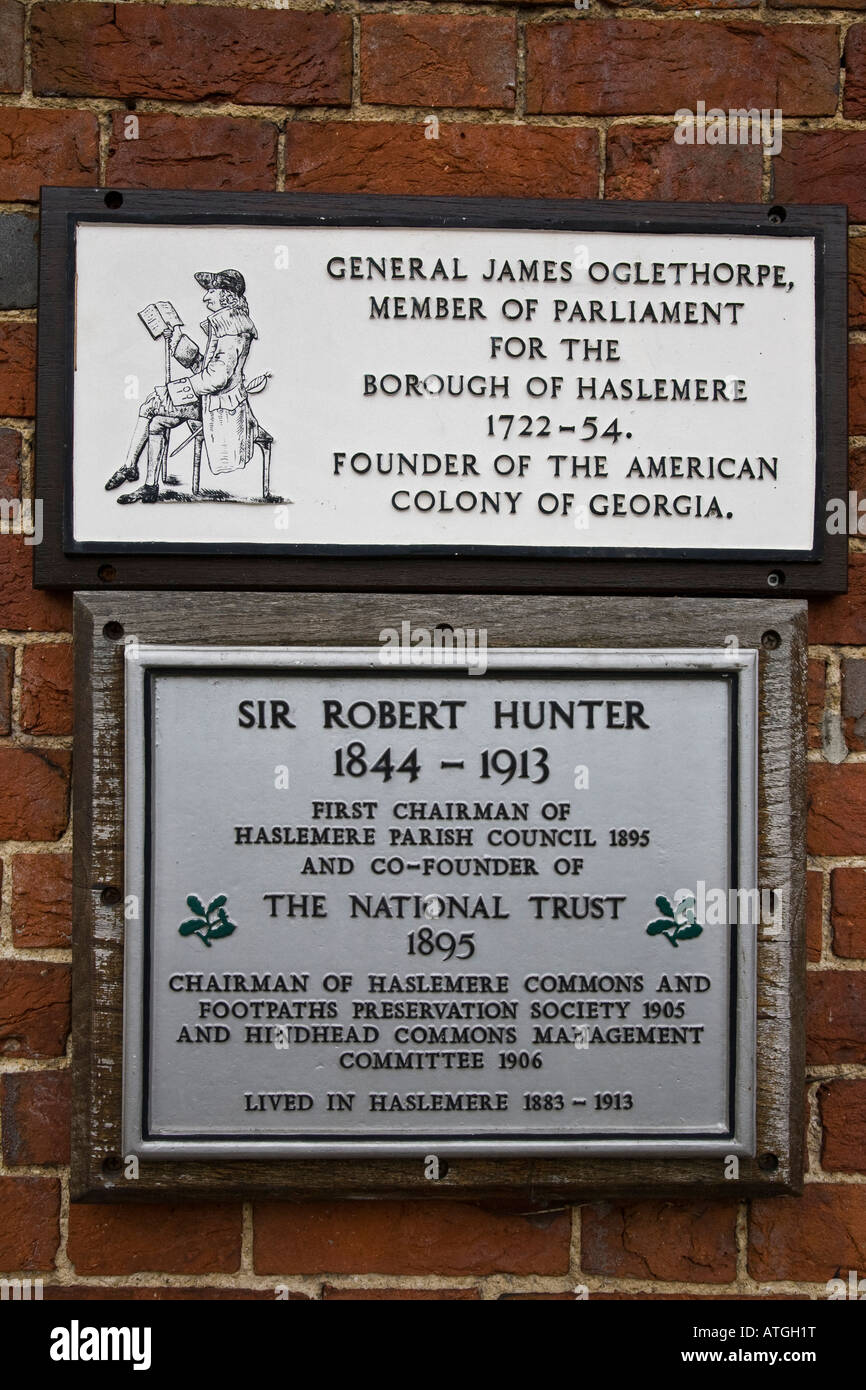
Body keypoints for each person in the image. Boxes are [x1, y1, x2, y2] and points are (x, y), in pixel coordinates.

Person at [106, 269, 259, 503]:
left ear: (227, 296)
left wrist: (175, 391)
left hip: (220, 408)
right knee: (156, 422)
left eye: (211, 292)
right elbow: (204, 368)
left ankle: (129, 466)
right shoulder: (227, 325)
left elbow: (217, 379)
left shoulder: (232, 329)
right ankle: (148, 485)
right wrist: (176, 339)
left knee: (150, 405)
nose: (206, 298)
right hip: (209, 401)